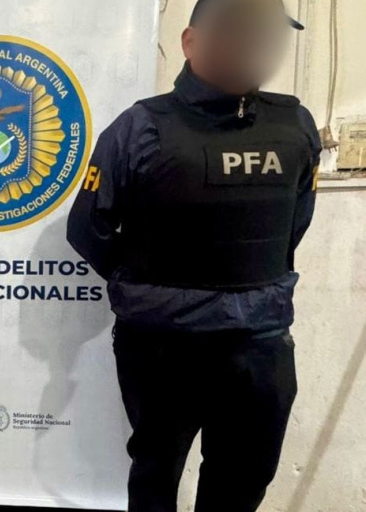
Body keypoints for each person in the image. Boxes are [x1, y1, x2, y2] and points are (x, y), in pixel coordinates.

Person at [66, 0, 320, 511]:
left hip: (259, 339)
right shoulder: (140, 127)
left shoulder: (295, 124)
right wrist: (147, 282)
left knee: (242, 479)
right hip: (164, 342)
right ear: (190, 42)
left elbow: (296, 222)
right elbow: (87, 228)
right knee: (156, 475)